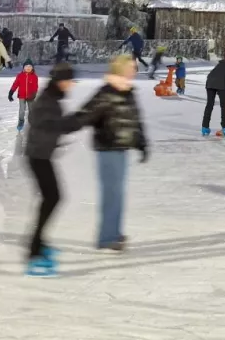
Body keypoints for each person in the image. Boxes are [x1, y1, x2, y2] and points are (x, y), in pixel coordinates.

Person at [73, 54, 148, 252]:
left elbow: (135, 119)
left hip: (121, 149)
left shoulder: (127, 91)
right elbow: (85, 115)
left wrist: (141, 142)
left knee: (117, 195)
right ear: (121, 68)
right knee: (112, 195)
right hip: (107, 149)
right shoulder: (106, 92)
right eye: (131, 66)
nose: (134, 70)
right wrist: (60, 127)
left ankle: (113, 233)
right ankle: (107, 238)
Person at [23, 62, 82, 274]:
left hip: (41, 155)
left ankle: (38, 243)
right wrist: (72, 122)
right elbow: (42, 120)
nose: (70, 85)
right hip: (37, 156)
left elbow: (57, 124)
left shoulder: (52, 97)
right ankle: (34, 251)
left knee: (52, 198)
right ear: (60, 81)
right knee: (53, 198)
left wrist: (73, 122)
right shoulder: (47, 100)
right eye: (68, 81)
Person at [9, 61, 40, 130]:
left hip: (31, 97)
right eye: (26, 67)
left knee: (31, 109)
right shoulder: (20, 76)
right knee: (22, 110)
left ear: (32, 68)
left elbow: (35, 87)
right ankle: (21, 121)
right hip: (21, 96)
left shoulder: (34, 77)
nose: (28, 68)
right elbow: (15, 84)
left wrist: (33, 94)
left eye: (30, 67)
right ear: (23, 68)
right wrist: (11, 92)